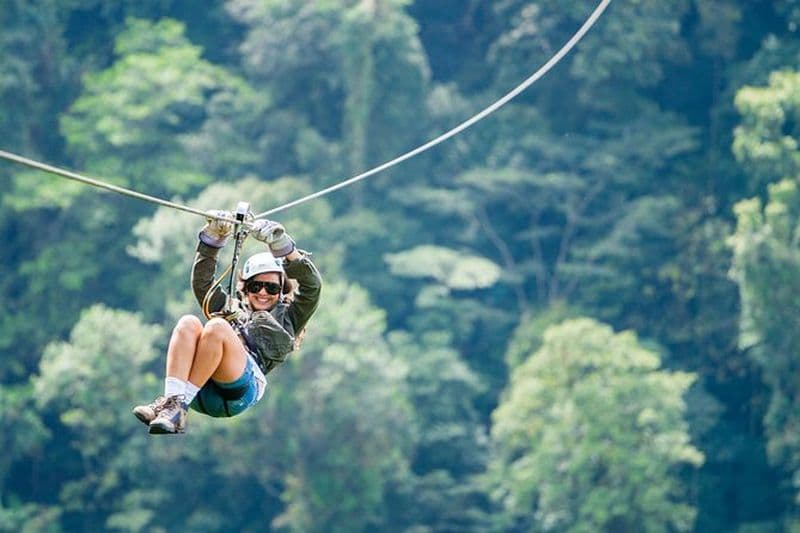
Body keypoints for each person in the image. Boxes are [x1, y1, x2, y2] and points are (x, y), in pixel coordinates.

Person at [132, 212, 322, 434]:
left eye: (271, 288)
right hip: (200, 387)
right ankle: (172, 402)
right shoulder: (231, 308)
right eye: (256, 286)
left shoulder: (290, 317)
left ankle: (178, 407)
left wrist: (284, 247)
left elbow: (312, 287)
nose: (263, 293)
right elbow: (202, 284)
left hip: (239, 391)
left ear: (281, 292)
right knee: (188, 322)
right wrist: (213, 239)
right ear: (246, 288)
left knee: (216, 326)